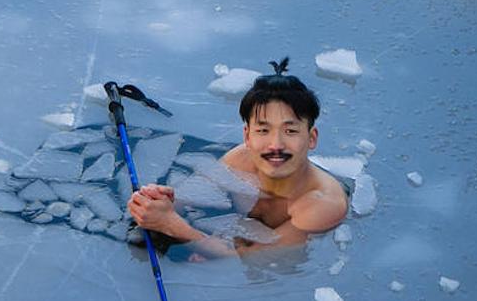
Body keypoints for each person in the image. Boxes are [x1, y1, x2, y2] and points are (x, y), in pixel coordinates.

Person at [127, 58, 348, 258]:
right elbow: (185, 200)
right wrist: (159, 203)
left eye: (290, 131)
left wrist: (174, 227)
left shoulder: (323, 203)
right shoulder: (240, 159)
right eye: (263, 130)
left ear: (311, 138)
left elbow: (249, 259)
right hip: (244, 229)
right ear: (247, 137)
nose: (276, 145)